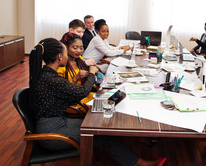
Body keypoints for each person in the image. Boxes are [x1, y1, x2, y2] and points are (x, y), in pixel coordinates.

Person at [29, 38, 165, 166]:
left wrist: (76, 79)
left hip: (56, 123)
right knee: (104, 134)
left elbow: (70, 94)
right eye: (65, 52)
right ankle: (138, 163)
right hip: (53, 134)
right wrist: (92, 73)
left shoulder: (47, 75)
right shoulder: (53, 79)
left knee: (104, 129)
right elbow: (82, 93)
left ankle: (132, 158)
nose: (66, 56)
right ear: (59, 56)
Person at [57, 32, 99, 113]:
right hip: (72, 103)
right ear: (66, 47)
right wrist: (76, 78)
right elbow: (63, 92)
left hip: (82, 95)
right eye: (75, 48)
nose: (79, 51)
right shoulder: (61, 66)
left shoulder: (79, 59)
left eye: (81, 48)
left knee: (106, 100)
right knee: (100, 107)